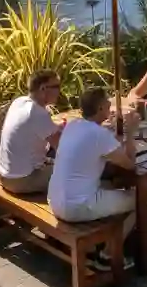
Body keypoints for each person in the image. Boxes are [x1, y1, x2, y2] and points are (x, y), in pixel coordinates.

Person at [48, 88, 137, 272]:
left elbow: (98, 147)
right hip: (76, 207)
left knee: (111, 186)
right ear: (99, 109)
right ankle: (108, 256)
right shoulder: (99, 135)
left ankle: (97, 247)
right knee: (139, 200)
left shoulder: (72, 126)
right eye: (107, 104)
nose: (110, 106)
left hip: (55, 200)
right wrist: (131, 133)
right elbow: (130, 164)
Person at [0, 70, 63, 195]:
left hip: (4, 175)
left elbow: (34, 130)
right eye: (56, 86)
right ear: (43, 88)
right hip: (22, 180)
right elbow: (64, 147)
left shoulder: (19, 102)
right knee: (79, 170)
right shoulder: (37, 113)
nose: (60, 91)